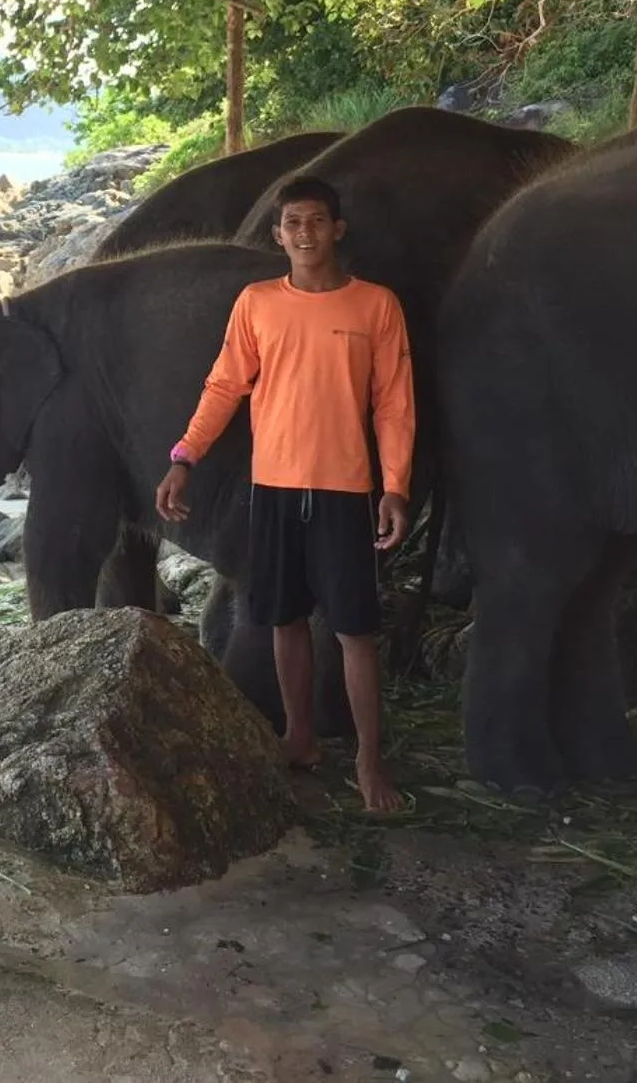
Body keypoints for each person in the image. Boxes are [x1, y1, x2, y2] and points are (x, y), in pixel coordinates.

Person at [154, 177, 414, 814]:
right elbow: (224, 387)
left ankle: (367, 759)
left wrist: (396, 488)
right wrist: (184, 457)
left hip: (346, 492)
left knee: (355, 631)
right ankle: (299, 737)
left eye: (317, 221)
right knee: (285, 619)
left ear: (338, 229)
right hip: (272, 490)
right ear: (278, 236)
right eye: (292, 224)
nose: (305, 233)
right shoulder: (257, 303)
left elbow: (394, 405)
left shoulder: (375, 305)